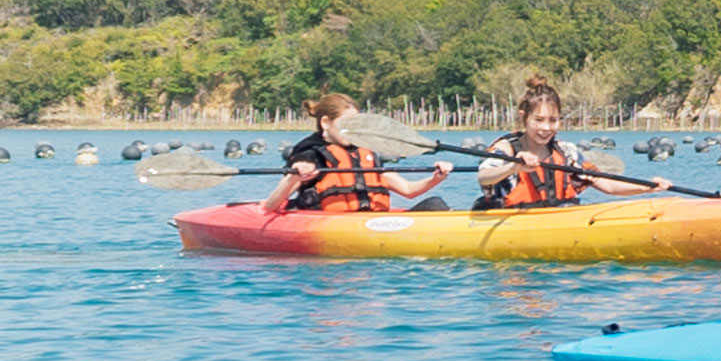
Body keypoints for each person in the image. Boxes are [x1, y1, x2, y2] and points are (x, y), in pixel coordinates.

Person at [472, 75, 668, 210]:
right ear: (524, 117)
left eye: (553, 120)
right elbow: (484, 177)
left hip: (558, 218)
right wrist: (513, 167)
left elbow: (606, 184)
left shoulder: (566, 152)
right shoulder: (506, 148)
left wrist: (647, 187)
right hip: (513, 223)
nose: (546, 128)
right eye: (538, 120)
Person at [266, 93, 454, 213]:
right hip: (330, 223)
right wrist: (294, 176)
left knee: (435, 205)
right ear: (325, 123)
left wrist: (436, 178)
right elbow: (271, 206)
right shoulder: (310, 153)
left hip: (369, 221)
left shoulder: (365, 151)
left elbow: (408, 190)